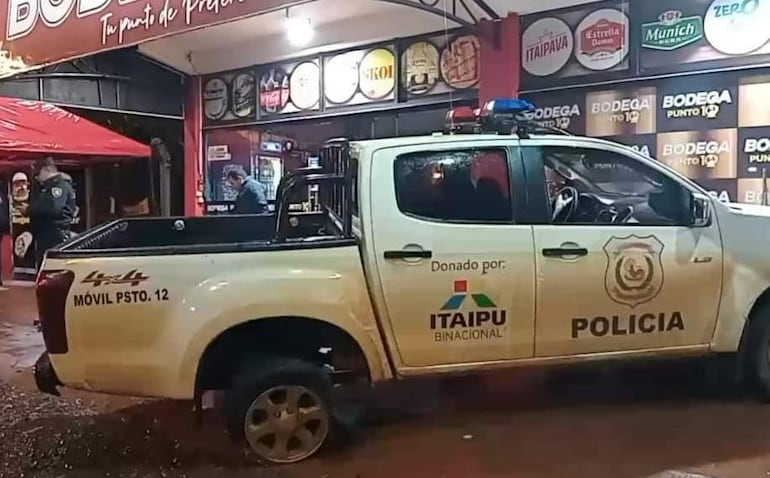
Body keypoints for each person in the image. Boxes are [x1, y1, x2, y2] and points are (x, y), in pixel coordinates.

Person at [27, 157, 76, 269]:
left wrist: (31, 209)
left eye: (38, 173)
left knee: (52, 269)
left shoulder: (59, 186)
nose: (37, 177)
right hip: (46, 235)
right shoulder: (47, 187)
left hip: (55, 235)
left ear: (48, 169)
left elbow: (53, 208)